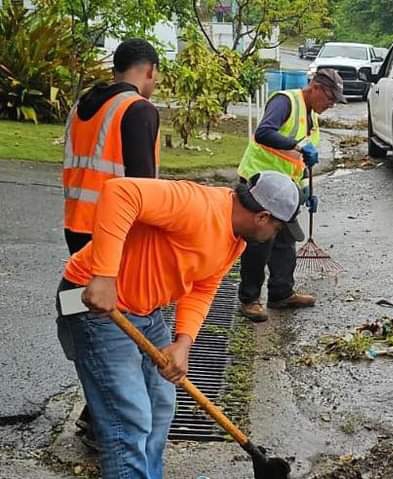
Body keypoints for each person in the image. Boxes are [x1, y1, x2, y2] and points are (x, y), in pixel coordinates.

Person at [55, 171, 301, 479]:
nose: (275, 236)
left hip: (146, 309)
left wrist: (184, 342)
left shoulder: (236, 239)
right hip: (93, 304)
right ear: (263, 217)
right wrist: (104, 275)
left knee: (160, 407)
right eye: (278, 228)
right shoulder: (197, 205)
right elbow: (119, 192)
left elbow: (202, 286)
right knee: (129, 419)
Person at [62, 38, 161, 448]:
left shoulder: (84, 106)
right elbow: (144, 188)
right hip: (114, 236)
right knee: (123, 327)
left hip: (77, 228)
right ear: (150, 71)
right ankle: (104, 420)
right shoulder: (137, 109)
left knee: (88, 316)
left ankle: (93, 411)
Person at [236, 68, 347, 322]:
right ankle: (249, 299)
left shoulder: (313, 117)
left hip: (285, 190)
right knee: (259, 243)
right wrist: (297, 145)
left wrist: (305, 190)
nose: (331, 105)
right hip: (259, 186)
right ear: (316, 88)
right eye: (330, 98)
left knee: (286, 241)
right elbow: (263, 132)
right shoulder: (285, 101)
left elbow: (297, 160)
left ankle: (281, 293)